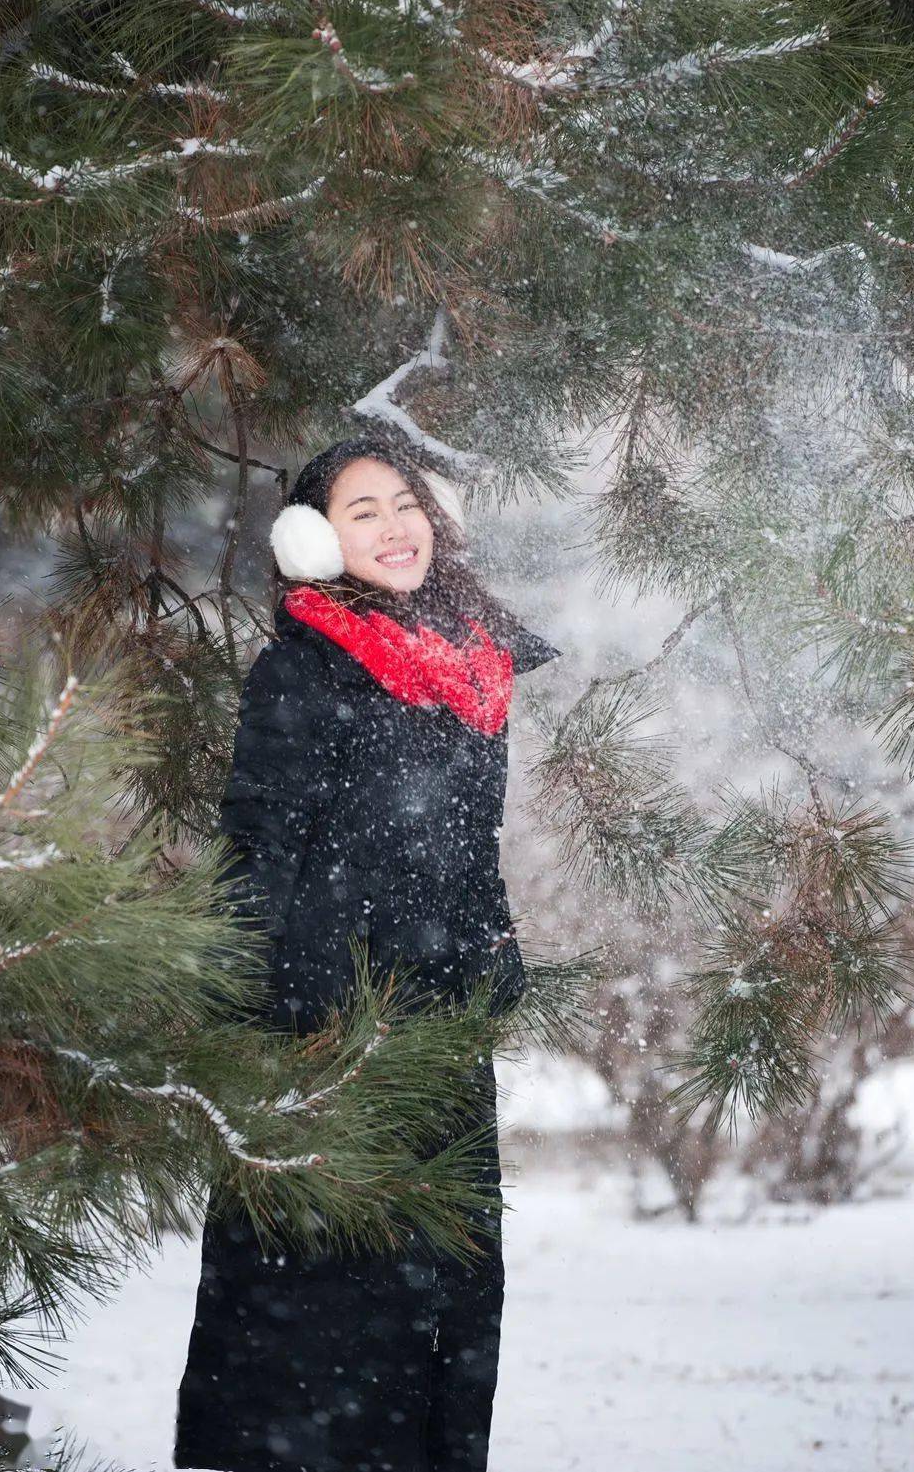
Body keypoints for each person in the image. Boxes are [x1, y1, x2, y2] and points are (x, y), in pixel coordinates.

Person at [173, 433, 560, 1472]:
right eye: (361, 511)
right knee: (326, 1319)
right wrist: (281, 1027)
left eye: (404, 503)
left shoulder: (474, 665)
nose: (394, 527)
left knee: (445, 1299)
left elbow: (463, 845)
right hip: (327, 1031)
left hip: (441, 1029)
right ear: (313, 541)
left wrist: (492, 956)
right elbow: (258, 846)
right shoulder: (300, 670)